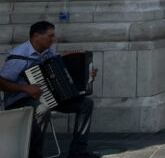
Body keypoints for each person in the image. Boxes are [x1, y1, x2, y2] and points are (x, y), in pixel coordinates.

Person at [0, 21, 99, 158]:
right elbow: (2, 83)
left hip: (50, 97)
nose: (53, 39)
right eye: (50, 36)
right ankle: (34, 155)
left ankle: (78, 151)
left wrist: (86, 77)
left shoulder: (49, 52)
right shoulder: (19, 56)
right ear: (36, 36)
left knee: (86, 104)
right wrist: (26, 88)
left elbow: (63, 73)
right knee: (43, 109)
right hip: (21, 99)